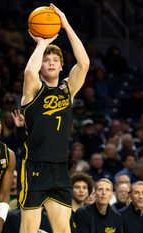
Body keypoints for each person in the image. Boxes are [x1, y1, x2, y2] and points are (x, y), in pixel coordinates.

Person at [19, 3, 90, 233]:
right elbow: (29, 72)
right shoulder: (33, 89)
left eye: (55, 60)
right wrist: (43, 43)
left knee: (63, 230)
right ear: (42, 65)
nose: (50, 62)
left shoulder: (67, 90)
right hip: (34, 167)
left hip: (60, 169)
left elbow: (84, 63)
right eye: (47, 60)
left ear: (61, 66)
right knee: (29, 230)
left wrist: (64, 22)